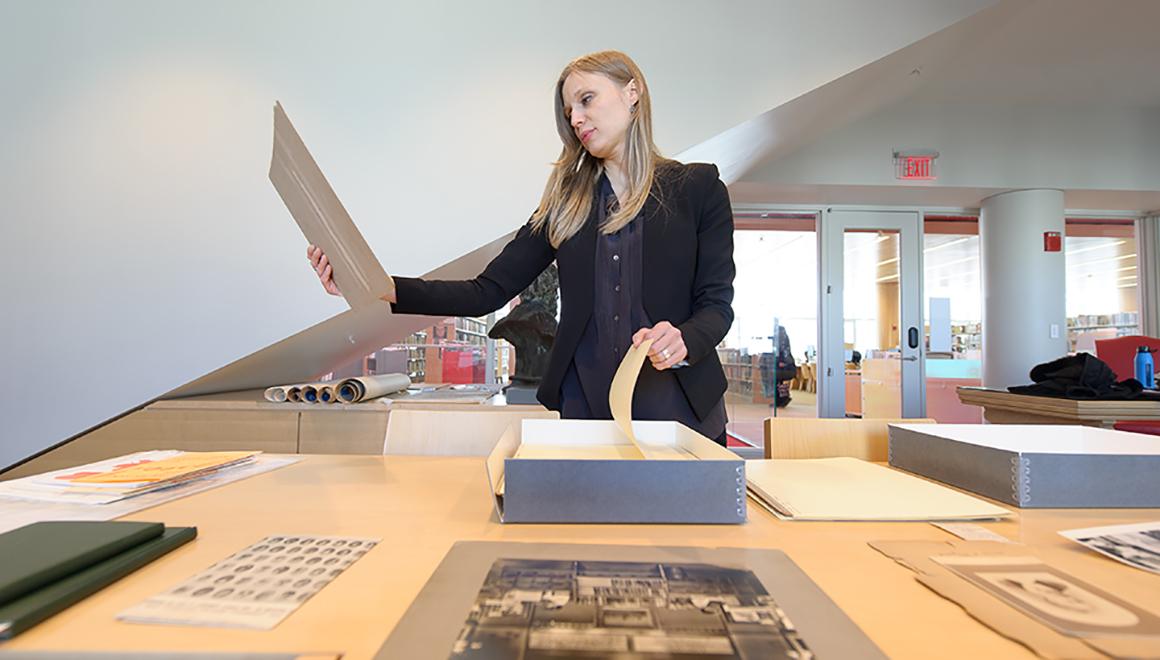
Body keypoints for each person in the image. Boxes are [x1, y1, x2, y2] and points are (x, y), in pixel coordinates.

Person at [307, 50, 735, 445]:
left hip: (680, 409)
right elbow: (485, 292)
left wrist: (684, 339)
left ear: (632, 93)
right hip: (586, 410)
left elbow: (716, 305)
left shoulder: (697, 188)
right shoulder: (565, 206)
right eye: (570, 113)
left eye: (587, 100)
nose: (577, 119)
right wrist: (379, 287)